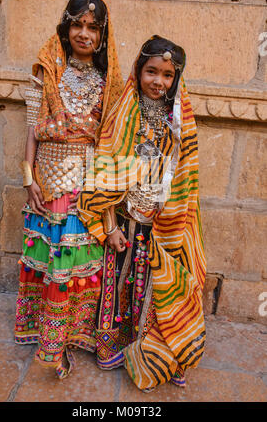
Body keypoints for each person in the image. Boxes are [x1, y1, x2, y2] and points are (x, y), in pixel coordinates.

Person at [78, 36, 207, 391]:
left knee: (157, 291)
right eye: (152, 71)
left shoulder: (179, 122)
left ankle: (162, 353)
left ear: (176, 79)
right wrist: (108, 226)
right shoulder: (123, 114)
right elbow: (101, 173)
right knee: (120, 287)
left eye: (168, 75)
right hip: (123, 223)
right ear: (139, 70)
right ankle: (115, 347)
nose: (158, 81)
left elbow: (186, 179)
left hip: (163, 227)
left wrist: (174, 225)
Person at [14, 0, 123, 379]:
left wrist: (108, 205)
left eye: (93, 27)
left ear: (102, 34)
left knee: (78, 268)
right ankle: (51, 345)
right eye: (77, 24)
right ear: (66, 26)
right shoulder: (48, 70)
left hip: (88, 185)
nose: (84, 33)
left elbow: (109, 142)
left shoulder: (109, 80)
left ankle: (72, 335)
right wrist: (29, 178)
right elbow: (31, 128)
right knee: (53, 265)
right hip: (48, 180)